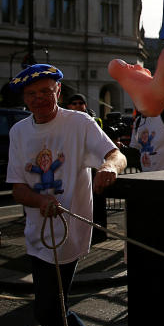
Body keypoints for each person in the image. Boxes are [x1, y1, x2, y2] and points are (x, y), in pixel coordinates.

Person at [5, 64, 126, 326]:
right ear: (25, 99)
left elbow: (116, 154)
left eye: (46, 91)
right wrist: (39, 200)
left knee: (48, 308)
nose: (41, 99)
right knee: (52, 310)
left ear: (58, 90)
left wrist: (108, 169)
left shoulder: (79, 123)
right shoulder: (18, 132)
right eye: (33, 94)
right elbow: (17, 189)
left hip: (68, 231)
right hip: (38, 233)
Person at [66, 93, 108, 242]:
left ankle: (99, 232)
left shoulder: (94, 120)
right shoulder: (66, 121)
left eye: (80, 103)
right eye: (74, 103)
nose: (78, 106)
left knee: (97, 201)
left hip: (94, 166)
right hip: (75, 166)